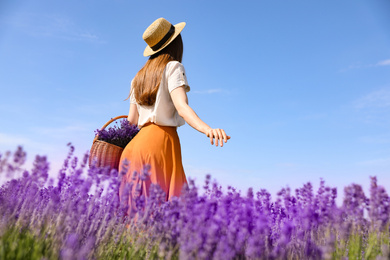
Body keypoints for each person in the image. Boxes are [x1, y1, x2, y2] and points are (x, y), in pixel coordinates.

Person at [119, 18, 230, 215]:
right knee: (168, 218)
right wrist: (208, 129)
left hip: (132, 150)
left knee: (134, 220)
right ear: (175, 43)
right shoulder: (173, 67)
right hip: (159, 144)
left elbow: (131, 123)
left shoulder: (137, 78)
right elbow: (182, 107)